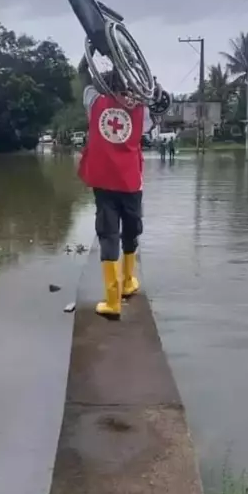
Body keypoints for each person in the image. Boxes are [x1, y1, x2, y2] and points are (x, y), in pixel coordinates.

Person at [77, 57, 154, 319]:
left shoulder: (94, 102)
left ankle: (112, 300)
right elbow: (154, 106)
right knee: (131, 231)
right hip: (131, 181)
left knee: (108, 235)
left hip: (104, 181)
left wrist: (88, 59)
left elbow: (82, 75)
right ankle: (129, 281)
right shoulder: (143, 110)